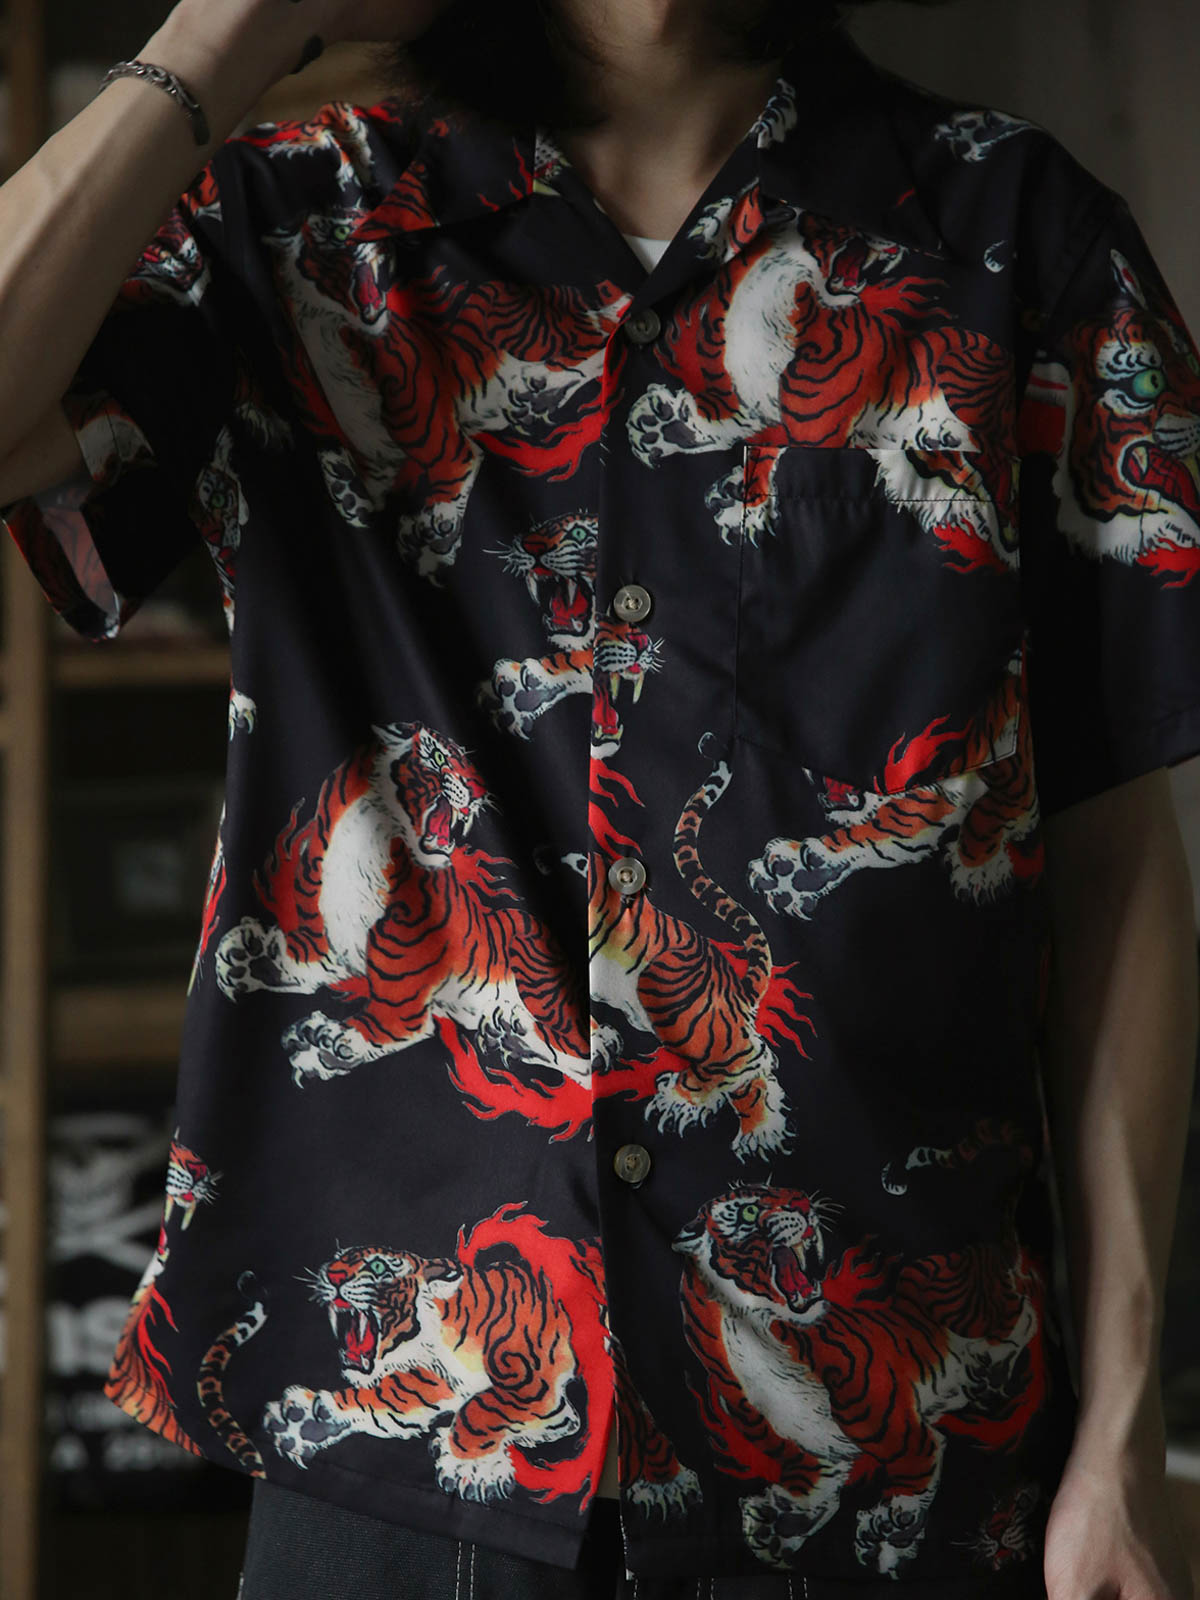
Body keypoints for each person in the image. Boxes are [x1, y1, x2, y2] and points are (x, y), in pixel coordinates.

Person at [0, 1, 1197, 1596]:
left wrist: (1125, 1417)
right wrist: (230, 28)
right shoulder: (303, 222)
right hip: (408, 1443)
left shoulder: (1013, 237)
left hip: (893, 1453)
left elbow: (1116, 856)